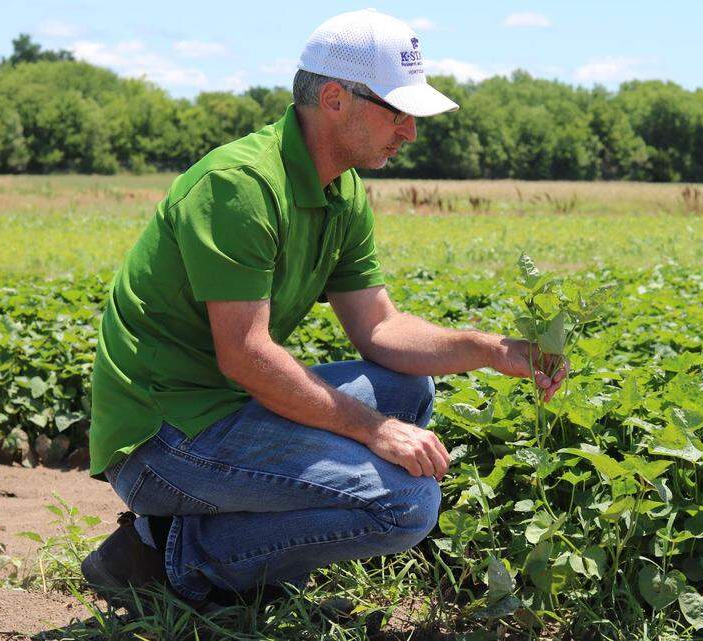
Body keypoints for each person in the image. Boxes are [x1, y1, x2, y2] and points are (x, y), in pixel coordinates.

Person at [80, 8, 568, 612]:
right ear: (335, 97)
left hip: (225, 406)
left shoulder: (341, 188)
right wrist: (372, 431)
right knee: (405, 504)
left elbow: (381, 328)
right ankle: (176, 554)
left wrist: (492, 350)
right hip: (162, 436)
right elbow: (246, 355)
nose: (411, 131)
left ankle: (201, 543)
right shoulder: (240, 185)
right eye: (398, 111)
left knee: (406, 393)